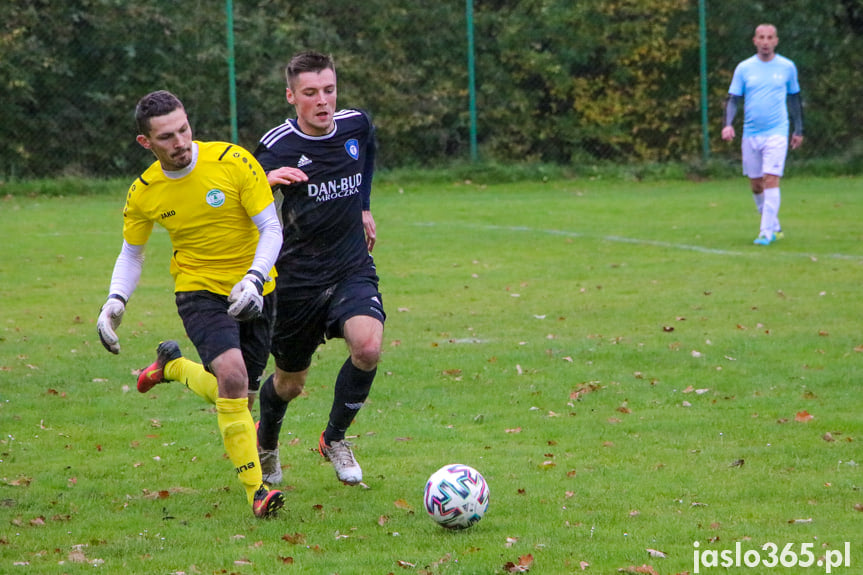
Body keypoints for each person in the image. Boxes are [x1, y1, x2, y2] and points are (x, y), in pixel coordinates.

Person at [96, 90, 286, 518]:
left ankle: (174, 368)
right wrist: (114, 301)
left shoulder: (232, 161)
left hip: (257, 288)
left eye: (184, 129)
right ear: (146, 142)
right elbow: (132, 253)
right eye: (166, 137)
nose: (180, 142)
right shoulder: (145, 192)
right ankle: (257, 492)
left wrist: (254, 280)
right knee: (233, 379)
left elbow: (271, 227)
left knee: (237, 394)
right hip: (198, 289)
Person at [252, 51, 385, 487]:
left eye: (329, 90)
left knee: (367, 348)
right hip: (296, 281)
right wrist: (265, 184)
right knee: (290, 383)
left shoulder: (355, 124)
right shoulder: (275, 147)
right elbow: (244, 204)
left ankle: (335, 438)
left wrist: (363, 207)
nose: (323, 101)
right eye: (311, 93)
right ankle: (267, 442)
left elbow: (366, 155)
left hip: (350, 266)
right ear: (292, 96)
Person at [722, 23, 804, 246]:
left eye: (770, 38)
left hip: (777, 131)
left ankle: (765, 232)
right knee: (757, 184)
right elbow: (733, 99)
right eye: (761, 37)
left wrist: (798, 129)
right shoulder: (744, 68)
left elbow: (794, 99)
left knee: (771, 179)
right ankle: (774, 225)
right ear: (755, 41)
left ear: (776, 41)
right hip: (751, 134)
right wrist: (727, 124)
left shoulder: (787, 67)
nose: (766, 42)